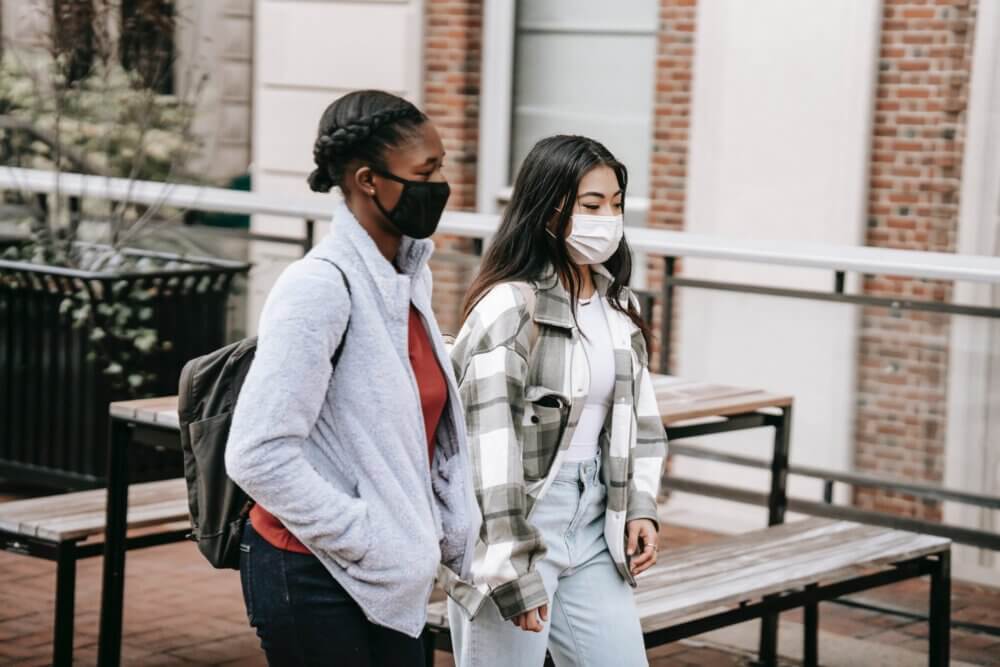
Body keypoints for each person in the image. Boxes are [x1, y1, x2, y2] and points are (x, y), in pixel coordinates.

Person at [225, 89, 481, 667]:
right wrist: (368, 535)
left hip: (390, 573)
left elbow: (413, 430)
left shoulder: (408, 279)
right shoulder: (319, 286)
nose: (440, 186)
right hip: (309, 570)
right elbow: (257, 453)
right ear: (369, 180)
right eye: (427, 171)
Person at [444, 135, 668, 666]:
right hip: (518, 521)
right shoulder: (510, 308)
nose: (608, 219)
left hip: (595, 520)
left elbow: (642, 420)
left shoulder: (619, 305)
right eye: (591, 206)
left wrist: (640, 505)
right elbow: (486, 451)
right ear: (548, 211)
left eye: (615, 204)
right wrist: (510, 563)